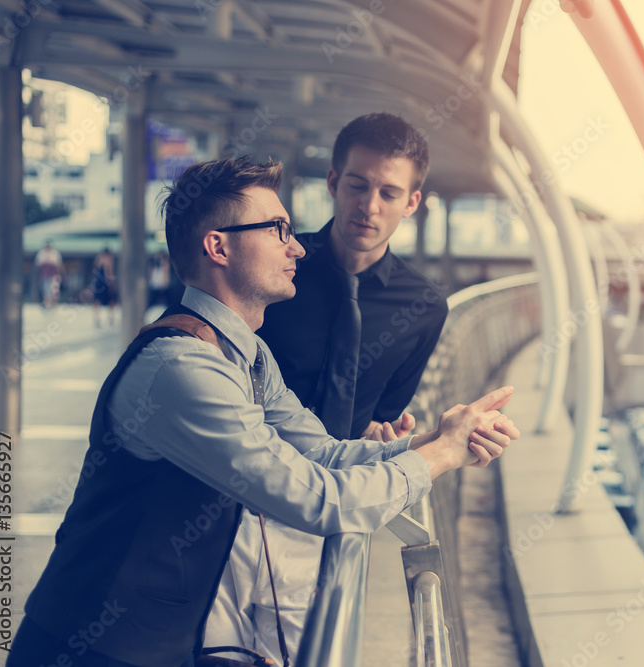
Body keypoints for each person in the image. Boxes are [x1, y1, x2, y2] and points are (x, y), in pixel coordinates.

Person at [8, 157, 520, 667]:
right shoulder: (181, 370)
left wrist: (432, 439)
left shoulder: (247, 353)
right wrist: (444, 456)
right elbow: (323, 503)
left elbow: (322, 452)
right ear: (218, 245)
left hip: (163, 645)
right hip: (89, 648)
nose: (297, 246)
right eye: (278, 230)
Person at [205, 113, 446, 661]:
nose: (370, 205)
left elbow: (381, 413)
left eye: (389, 192)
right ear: (334, 182)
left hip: (327, 502)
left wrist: (386, 434)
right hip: (237, 493)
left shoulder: (424, 308)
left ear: (412, 202)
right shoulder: (274, 270)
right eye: (358, 185)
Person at [92, 246, 118, 326]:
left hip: (98, 282)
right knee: (111, 300)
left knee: (97, 301)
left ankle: (97, 318)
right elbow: (109, 272)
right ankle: (111, 318)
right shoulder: (109, 259)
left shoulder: (98, 258)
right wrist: (112, 284)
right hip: (106, 282)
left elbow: (95, 270)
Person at [35, 240, 63, 308]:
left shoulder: (55, 253)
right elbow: (38, 264)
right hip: (45, 274)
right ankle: (46, 301)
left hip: (54, 274)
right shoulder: (41, 253)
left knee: (54, 289)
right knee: (45, 288)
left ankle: (53, 302)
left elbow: (59, 265)